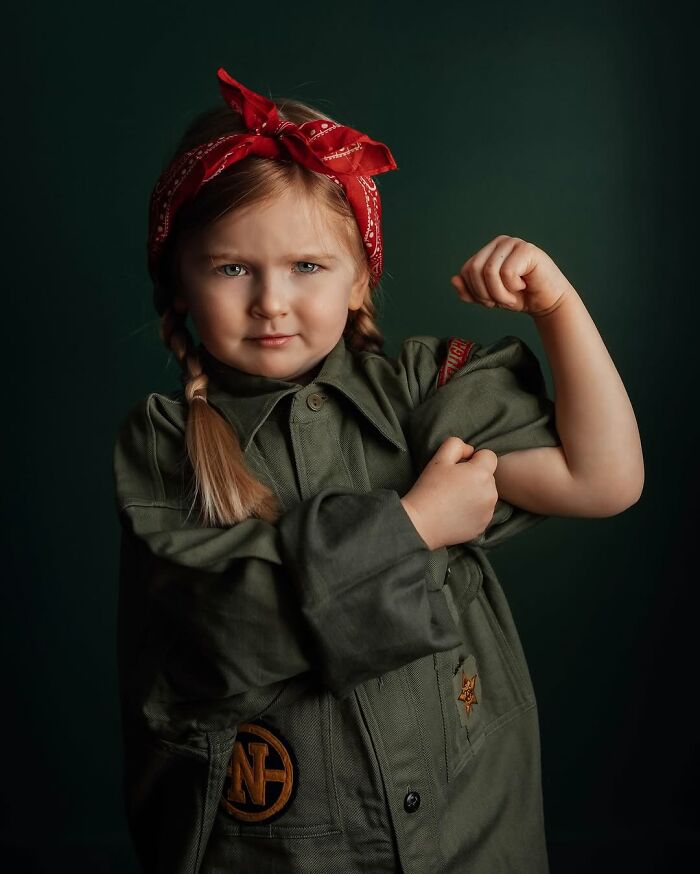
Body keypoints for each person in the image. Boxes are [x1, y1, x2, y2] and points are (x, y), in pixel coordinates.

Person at [112, 67, 644, 874]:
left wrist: (558, 307)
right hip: (272, 848)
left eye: (308, 267)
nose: (271, 302)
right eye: (230, 269)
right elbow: (224, 631)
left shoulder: (420, 394)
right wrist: (417, 525)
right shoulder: (164, 448)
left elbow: (603, 480)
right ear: (180, 280)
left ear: (361, 275)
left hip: (471, 832)